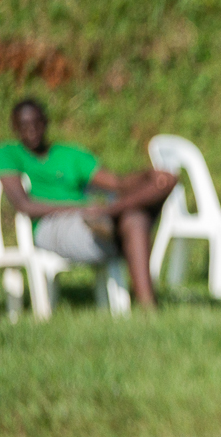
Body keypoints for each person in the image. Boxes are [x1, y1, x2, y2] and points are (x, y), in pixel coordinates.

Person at [1, 99, 177, 309]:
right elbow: (24, 205)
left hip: (94, 219)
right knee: (133, 219)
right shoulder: (8, 153)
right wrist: (80, 208)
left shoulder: (70, 154)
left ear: (46, 123)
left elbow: (116, 183)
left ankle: (148, 308)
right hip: (52, 224)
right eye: (24, 125)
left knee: (138, 213)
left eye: (36, 123)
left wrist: (148, 175)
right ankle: (113, 217)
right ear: (15, 127)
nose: (31, 130)